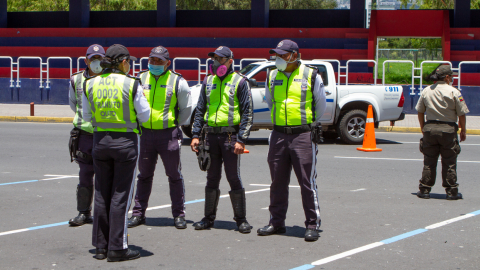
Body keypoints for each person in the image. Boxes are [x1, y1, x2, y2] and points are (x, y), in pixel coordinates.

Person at [82, 44, 150, 262]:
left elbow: (85, 114)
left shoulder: (90, 83)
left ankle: (100, 246)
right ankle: (117, 248)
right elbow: (145, 116)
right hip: (125, 143)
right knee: (121, 195)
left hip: (99, 140)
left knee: (102, 193)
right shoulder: (131, 83)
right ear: (123, 62)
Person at [257, 40, 327, 242]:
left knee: (306, 182)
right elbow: (270, 102)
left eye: (283, 55)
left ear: (294, 55)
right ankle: (276, 222)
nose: (278, 58)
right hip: (279, 134)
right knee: (277, 182)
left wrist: (306, 124)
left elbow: (320, 104)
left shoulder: (311, 74)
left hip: (303, 135)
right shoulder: (272, 75)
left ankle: (312, 224)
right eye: (276, 54)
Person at [190, 46, 253, 234]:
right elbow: (200, 109)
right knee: (212, 177)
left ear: (230, 61)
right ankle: (208, 218)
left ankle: (241, 220)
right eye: (214, 58)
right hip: (210, 136)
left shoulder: (240, 82)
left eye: (221, 59)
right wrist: (195, 135)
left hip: (230, 136)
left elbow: (247, 112)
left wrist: (241, 139)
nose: (217, 62)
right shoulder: (208, 81)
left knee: (233, 176)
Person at [128, 46, 192, 229]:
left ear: (167, 63)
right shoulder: (140, 78)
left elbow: (186, 109)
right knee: (144, 176)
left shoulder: (177, 81)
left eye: (158, 61)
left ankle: (179, 215)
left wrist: (172, 124)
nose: (154, 64)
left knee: (174, 175)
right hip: (146, 135)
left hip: (168, 135)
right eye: (152, 60)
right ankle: (138, 214)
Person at [415, 65, 469, 200]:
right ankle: (451, 191)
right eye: (451, 76)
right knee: (449, 161)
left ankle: (424, 190)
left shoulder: (427, 90)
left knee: (429, 161)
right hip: (448, 130)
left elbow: (420, 111)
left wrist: (423, 128)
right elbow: (461, 113)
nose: (452, 79)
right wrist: (463, 130)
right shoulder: (454, 92)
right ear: (446, 77)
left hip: (430, 129)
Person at [68, 44, 105, 226]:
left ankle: (103, 213)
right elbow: (74, 104)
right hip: (84, 135)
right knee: (84, 174)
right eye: (93, 59)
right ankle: (83, 212)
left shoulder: (110, 79)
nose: (96, 62)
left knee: (105, 175)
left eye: (99, 59)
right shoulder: (76, 79)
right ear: (86, 61)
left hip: (104, 134)